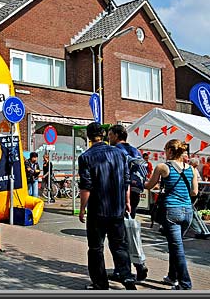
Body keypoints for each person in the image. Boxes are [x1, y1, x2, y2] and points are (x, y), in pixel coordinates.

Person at [78, 122, 136, 290]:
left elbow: (86, 186)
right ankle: (128, 278)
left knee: (96, 248)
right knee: (119, 245)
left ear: (88, 137)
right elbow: (126, 181)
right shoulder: (119, 154)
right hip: (117, 209)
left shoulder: (86, 157)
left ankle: (100, 284)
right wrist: (127, 202)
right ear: (102, 135)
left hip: (98, 210)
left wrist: (82, 208)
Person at [144, 139, 198, 290]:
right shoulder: (191, 169)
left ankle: (185, 284)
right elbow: (194, 192)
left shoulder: (163, 167)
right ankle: (172, 276)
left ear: (169, 151)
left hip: (171, 211)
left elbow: (149, 185)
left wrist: (138, 182)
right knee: (176, 245)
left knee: (177, 248)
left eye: (165, 149)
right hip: (188, 211)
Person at [107, 124, 149, 282]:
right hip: (136, 194)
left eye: (110, 135)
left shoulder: (115, 151)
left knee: (118, 235)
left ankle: (123, 270)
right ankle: (138, 264)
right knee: (130, 229)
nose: (109, 138)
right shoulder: (135, 151)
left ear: (117, 135)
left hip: (121, 194)